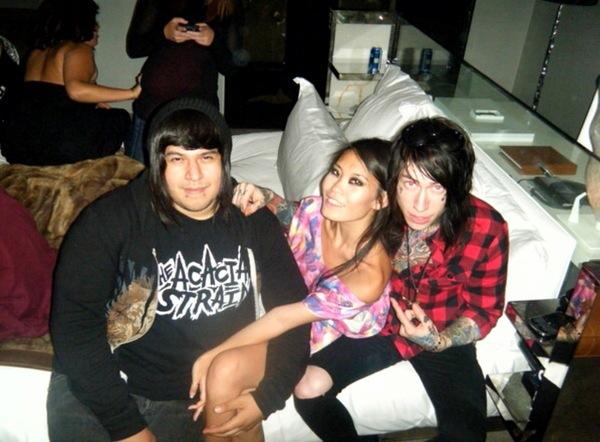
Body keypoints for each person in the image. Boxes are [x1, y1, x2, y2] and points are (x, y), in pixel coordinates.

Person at [47, 97, 309, 442]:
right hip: (108, 386)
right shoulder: (110, 220)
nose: (193, 175)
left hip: (193, 399)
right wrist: (127, 427)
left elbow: (295, 311)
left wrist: (268, 396)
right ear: (158, 162)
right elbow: (75, 326)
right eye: (177, 158)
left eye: (206, 157)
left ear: (223, 160)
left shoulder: (252, 220)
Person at [235, 117, 508, 441]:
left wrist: (440, 341)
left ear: (457, 187)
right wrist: (266, 196)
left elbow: (484, 309)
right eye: (410, 182)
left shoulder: (485, 227)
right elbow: (314, 217)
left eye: (437, 187)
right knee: (307, 388)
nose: (420, 204)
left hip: (441, 333)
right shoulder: (379, 206)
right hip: (381, 326)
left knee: (467, 435)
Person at [187, 138, 394, 441]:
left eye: (355, 182)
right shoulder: (319, 210)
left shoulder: (367, 276)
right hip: (297, 309)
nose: (334, 189)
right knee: (224, 372)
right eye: (336, 172)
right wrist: (264, 195)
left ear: (381, 200)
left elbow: (284, 318)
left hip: (339, 334)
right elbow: (292, 213)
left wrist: (212, 354)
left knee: (222, 368)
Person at [1, 0, 141, 166]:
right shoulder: (78, 48)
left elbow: (44, 96)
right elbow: (76, 90)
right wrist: (132, 93)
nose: (97, 27)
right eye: (93, 21)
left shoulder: (36, 53)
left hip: (18, 145)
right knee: (121, 118)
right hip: (60, 143)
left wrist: (95, 100)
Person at [125, 0, 242, 164]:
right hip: (151, 108)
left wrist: (214, 40)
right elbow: (133, 48)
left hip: (198, 111)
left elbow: (233, 68)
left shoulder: (227, 5)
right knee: (138, 173)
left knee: (195, 173)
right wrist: (164, 33)